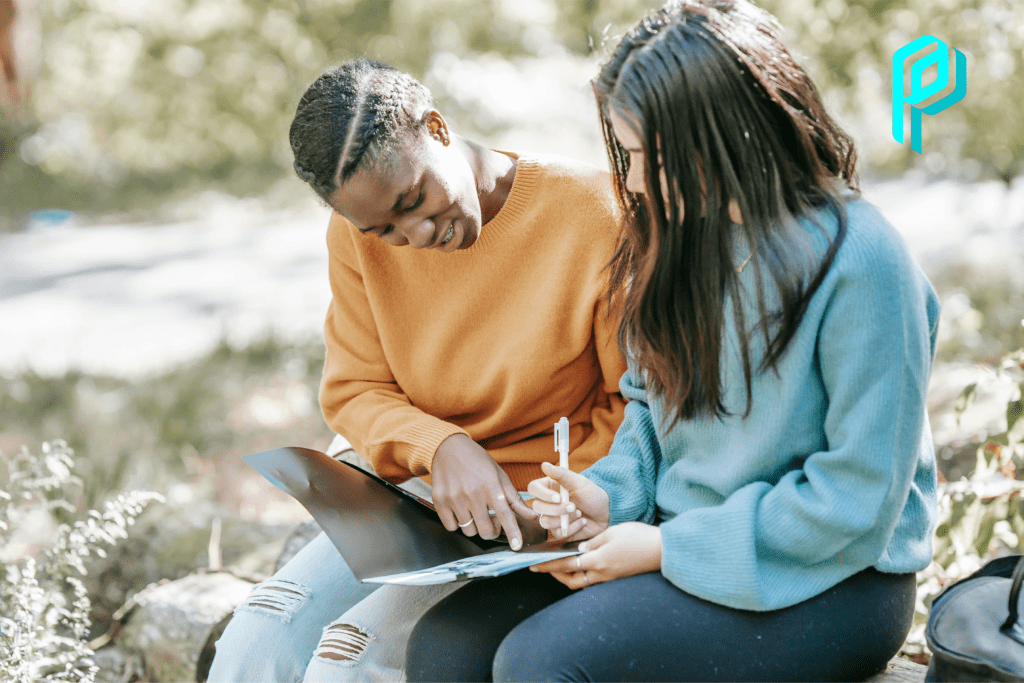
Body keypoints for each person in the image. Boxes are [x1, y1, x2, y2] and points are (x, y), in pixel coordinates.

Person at [404, 1, 941, 681]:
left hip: (837, 577)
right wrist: (603, 497)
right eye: (626, 155)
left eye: (645, 157)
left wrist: (662, 547)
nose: (629, 182)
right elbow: (651, 407)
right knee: (445, 647)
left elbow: (857, 498)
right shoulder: (686, 237)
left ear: (728, 136)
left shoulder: (863, 261)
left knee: (541, 662)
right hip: (676, 534)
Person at [208, 59, 628, 682]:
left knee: (350, 659)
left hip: (543, 510)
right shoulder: (353, 239)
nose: (418, 234)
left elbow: (637, 405)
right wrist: (443, 446)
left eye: (416, 199)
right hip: (421, 500)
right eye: (383, 229)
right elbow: (356, 389)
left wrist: (562, 500)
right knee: (258, 634)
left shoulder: (594, 215)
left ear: (436, 127)